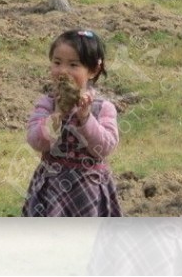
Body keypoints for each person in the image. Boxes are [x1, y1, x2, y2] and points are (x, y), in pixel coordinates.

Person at [22, 29, 122, 217]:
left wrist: (85, 118)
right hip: (51, 188)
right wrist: (57, 115)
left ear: (93, 70)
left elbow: (105, 147)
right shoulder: (47, 104)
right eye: (57, 62)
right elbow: (36, 141)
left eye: (73, 65)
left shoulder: (102, 108)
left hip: (88, 188)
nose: (63, 71)